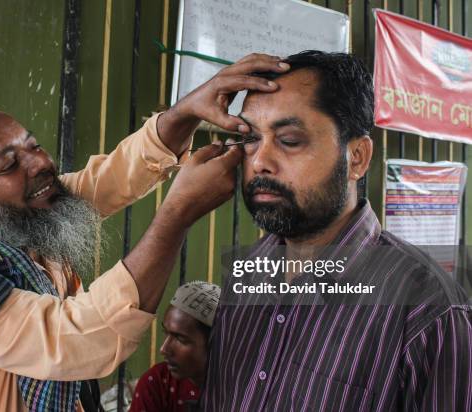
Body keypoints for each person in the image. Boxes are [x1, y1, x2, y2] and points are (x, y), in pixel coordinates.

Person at [0, 55, 290, 412]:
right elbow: (77, 339)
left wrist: (185, 112)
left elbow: (114, 175)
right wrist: (177, 213)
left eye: (33, 146)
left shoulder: (28, 214)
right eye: (9, 166)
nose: (39, 164)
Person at [200, 51, 472, 411]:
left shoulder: (429, 310)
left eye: (290, 140)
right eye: (250, 138)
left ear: (356, 157)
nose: (260, 161)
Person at [130, 281, 220, 412]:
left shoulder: (246, 387)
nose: (164, 349)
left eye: (180, 339)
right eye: (166, 333)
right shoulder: (158, 384)